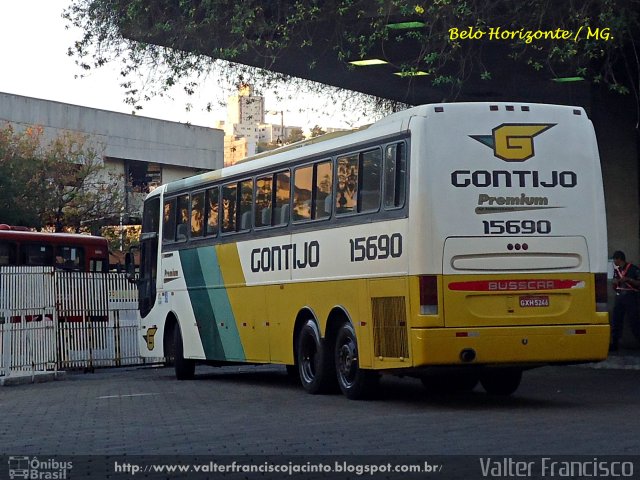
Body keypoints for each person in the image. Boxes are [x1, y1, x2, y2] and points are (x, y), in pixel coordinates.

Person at [610, 250, 640, 352]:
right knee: (616, 320)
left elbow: (638, 283)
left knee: (634, 321)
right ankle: (615, 344)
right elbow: (615, 286)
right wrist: (614, 284)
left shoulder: (633, 269)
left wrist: (628, 279)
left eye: (615, 259)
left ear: (619, 259)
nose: (614, 262)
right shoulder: (617, 270)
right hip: (619, 297)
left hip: (631, 297)